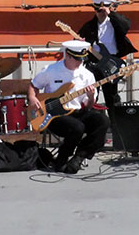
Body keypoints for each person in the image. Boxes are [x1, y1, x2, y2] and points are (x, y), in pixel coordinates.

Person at [27, 40, 110, 174]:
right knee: (77, 127)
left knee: (102, 121)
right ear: (68, 55)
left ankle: (80, 156)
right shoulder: (51, 70)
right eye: (77, 59)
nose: (80, 62)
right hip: (53, 115)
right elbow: (34, 85)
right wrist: (32, 98)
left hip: (76, 111)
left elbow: (88, 106)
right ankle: (61, 160)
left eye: (82, 59)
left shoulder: (87, 75)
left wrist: (90, 96)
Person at [78, 0, 138, 111]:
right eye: (98, 10)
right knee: (92, 93)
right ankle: (94, 120)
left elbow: (126, 26)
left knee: (111, 96)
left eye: (102, 10)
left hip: (111, 61)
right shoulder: (89, 26)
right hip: (94, 63)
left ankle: (115, 124)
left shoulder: (115, 23)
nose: (100, 13)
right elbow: (79, 39)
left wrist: (110, 13)